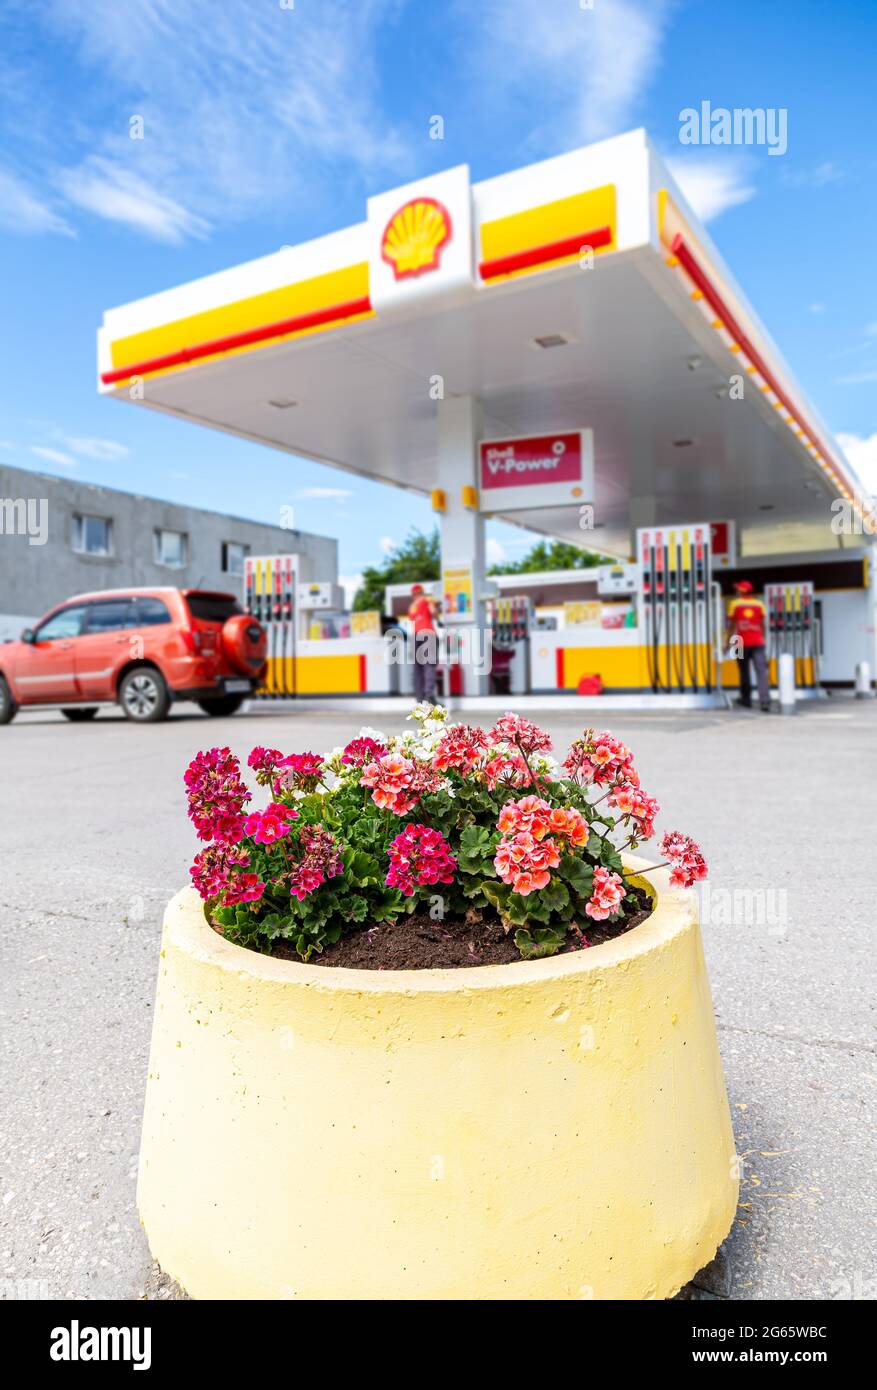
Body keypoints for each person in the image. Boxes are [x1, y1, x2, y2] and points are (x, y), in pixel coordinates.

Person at [726, 580, 770, 711]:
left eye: (738, 589)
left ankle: (746, 699)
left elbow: (732, 626)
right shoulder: (759, 604)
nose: (736, 591)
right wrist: (764, 639)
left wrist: (727, 643)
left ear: (741, 591)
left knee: (743, 672)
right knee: (761, 672)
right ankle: (765, 701)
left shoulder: (734, 604)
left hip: (739, 641)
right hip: (758, 642)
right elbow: (763, 625)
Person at [407, 583, 440, 702]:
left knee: (418, 667)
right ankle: (429, 696)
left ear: (413, 595)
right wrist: (438, 617)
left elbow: (412, 619)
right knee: (429, 665)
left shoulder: (412, 607)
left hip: (416, 636)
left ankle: (419, 698)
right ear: (422, 592)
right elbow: (433, 612)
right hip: (428, 634)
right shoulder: (427, 600)